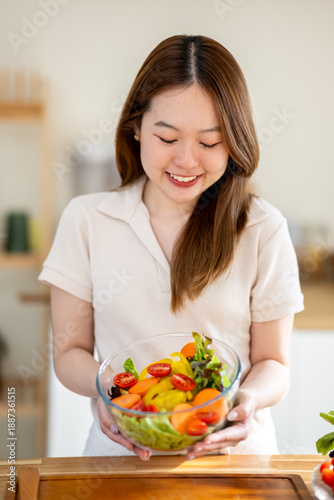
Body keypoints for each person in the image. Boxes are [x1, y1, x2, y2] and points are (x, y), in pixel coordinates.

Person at [39, 34, 304, 461]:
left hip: (232, 461)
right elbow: (70, 353)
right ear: (137, 128)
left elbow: (273, 362)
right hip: (120, 457)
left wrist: (247, 401)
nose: (186, 160)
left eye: (209, 142)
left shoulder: (261, 227)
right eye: (167, 138)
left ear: (233, 142)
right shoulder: (87, 220)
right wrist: (111, 394)